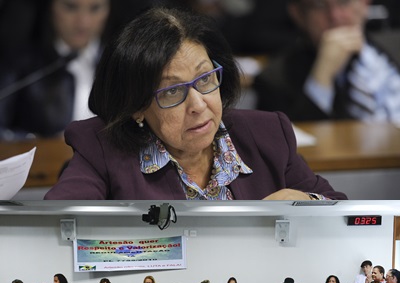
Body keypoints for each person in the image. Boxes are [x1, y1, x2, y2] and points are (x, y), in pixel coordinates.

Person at [44, 6, 347, 201]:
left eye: (204, 79)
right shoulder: (102, 151)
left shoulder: (268, 135)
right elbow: (60, 224)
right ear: (136, 106)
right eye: (172, 92)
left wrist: (307, 203)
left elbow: (341, 211)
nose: (199, 105)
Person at [254, 0, 400, 123]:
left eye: (344, 2)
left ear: (365, 3)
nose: (335, 16)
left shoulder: (394, 46)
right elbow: (292, 143)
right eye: (319, 5)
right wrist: (322, 76)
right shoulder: (275, 79)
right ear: (298, 14)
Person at [0, 0, 111, 140]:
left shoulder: (119, 62)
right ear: (50, 6)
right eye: (71, 7)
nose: (83, 23)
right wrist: (38, 142)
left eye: (95, 9)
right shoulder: (21, 63)